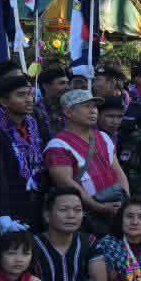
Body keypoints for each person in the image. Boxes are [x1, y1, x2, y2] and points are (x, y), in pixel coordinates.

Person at [44, 88, 129, 236]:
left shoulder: (103, 136)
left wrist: (126, 200)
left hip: (115, 210)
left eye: (94, 106)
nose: (93, 110)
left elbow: (118, 171)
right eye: (86, 106)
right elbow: (66, 184)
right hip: (86, 217)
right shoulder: (58, 145)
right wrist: (98, 207)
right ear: (68, 112)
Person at [0, 71, 45, 231]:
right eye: (21, 95)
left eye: (30, 94)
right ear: (4, 101)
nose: (29, 99)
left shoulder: (34, 123)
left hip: (36, 199)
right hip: (9, 204)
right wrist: (3, 212)